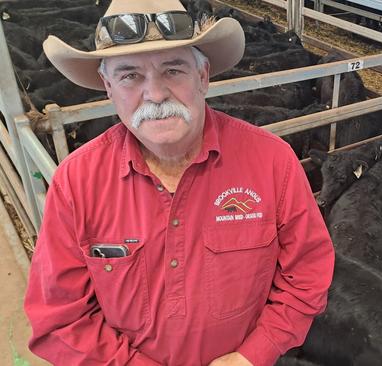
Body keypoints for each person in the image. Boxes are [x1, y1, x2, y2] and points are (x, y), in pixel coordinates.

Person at [23, 0, 335, 365]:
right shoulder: (76, 181)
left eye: (173, 71)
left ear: (203, 77)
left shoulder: (274, 162)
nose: (155, 94)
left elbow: (307, 274)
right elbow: (59, 318)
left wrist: (254, 353)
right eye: (130, 75)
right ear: (108, 87)